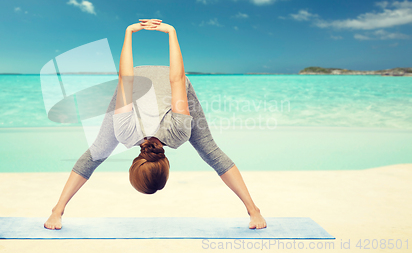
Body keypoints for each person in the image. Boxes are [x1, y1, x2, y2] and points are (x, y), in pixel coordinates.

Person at [44, 19, 267, 230]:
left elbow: (139, 79)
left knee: (98, 152)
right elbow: (147, 79)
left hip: (140, 83)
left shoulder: (149, 131)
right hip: (139, 81)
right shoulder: (146, 132)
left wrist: (157, 33)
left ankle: (254, 211)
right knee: (96, 153)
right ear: (133, 163)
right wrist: (141, 33)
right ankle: (57, 210)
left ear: (167, 165)